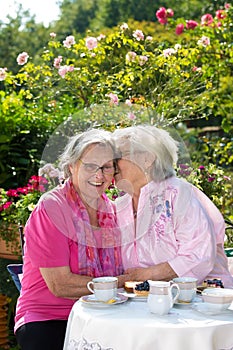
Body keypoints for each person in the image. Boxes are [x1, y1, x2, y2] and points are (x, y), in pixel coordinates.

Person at [14, 128, 128, 350]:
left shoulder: (111, 211)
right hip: (49, 317)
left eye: (106, 167)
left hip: (101, 313)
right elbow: (60, 285)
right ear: (71, 167)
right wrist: (125, 280)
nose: (99, 175)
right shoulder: (53, 207)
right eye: (89, 166)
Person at [112, 125, 233, 288]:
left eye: (118, 156)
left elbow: (199, 256)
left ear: (147, 159)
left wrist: (145, 276)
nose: (111, 164)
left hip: (200, 299)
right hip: (141, 298)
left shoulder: (178, 194)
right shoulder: (120, 206)